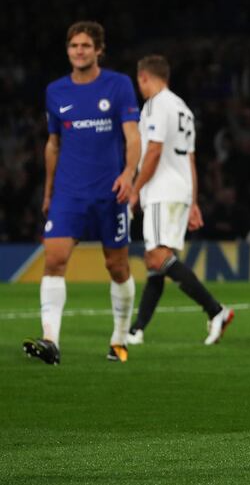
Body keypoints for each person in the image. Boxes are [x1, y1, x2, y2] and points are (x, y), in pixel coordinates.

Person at [23, 21, 141, 364]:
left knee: (117, 266)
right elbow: (53, 144)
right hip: (69, 194)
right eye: (74, 45)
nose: (79, 51)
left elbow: (132, 136)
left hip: (111, 193)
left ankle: (119, 339)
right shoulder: (55, 91)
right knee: (54, 260)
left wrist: (128, 174)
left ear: (99, 50)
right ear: (67, 50)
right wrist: (48, 191)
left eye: (86, 46)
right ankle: (50, 341)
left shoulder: (118, 85)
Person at [127, 55, 234, 346]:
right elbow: (190, 159)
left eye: (140, 81)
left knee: (158, 257)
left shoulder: (157, 105)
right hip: (179, 190)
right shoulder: (182, 108)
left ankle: (216, 310)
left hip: (162, 190)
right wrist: (193, 199)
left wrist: (135, 189)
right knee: (156, 263)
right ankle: (137, 329)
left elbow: (153, 152)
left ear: (144, 78)